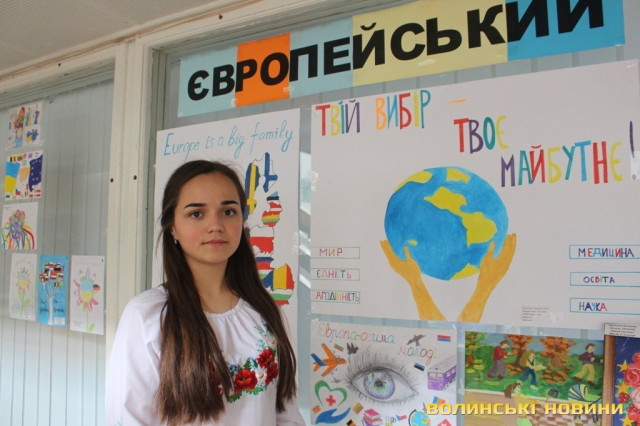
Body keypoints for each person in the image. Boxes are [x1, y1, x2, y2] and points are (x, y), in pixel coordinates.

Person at [106, 160, 304, 425]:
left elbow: (286, 415)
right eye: (196, 214)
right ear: (172, 227)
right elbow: (129, 418)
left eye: (228, 211)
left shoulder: (264, 310)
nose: (215, 225)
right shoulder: (148, 315)